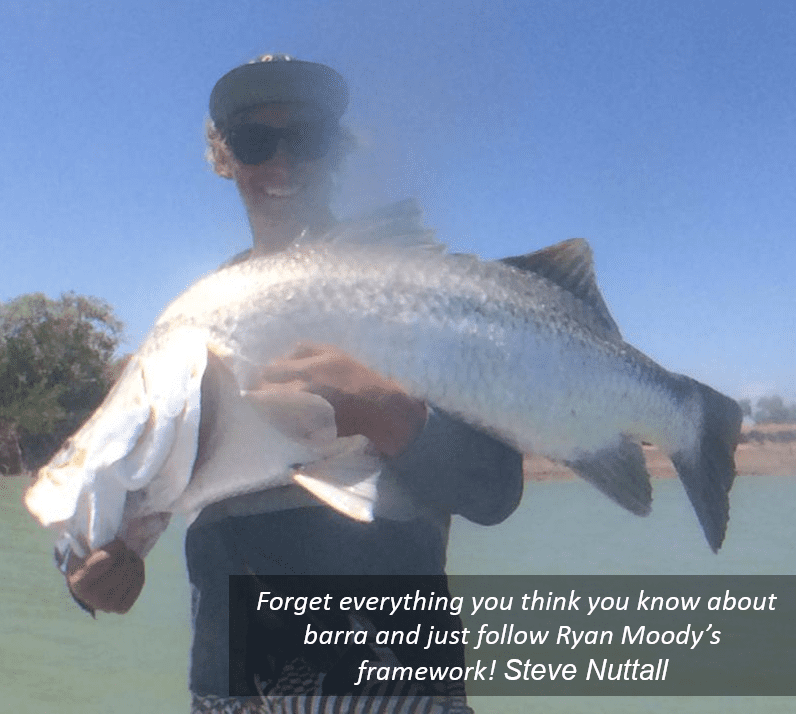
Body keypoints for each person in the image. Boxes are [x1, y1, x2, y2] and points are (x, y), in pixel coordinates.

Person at [65, 55, 524, 713]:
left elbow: (495, 491)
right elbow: (119, 494)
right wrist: (95, 574)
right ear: (223, 156)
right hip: (227, 692)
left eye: (305, 138)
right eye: (254, 141)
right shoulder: (198, 317)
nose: (280, 165)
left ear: (335, 151)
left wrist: (389, 413)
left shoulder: (414, 290)